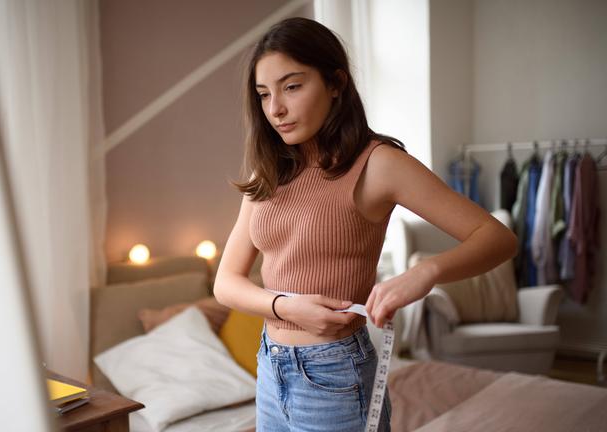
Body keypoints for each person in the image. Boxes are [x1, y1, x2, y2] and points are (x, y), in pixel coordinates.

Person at [212, 17, 517, 432]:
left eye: (292, 86)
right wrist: (285, 306)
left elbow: (498, 238)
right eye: (264, 94)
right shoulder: (269, 170)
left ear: (336, 83)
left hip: (334, 372)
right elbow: (225, 282)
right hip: (269, 366)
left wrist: (424, 273)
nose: (275, 109)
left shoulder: (379, 164)